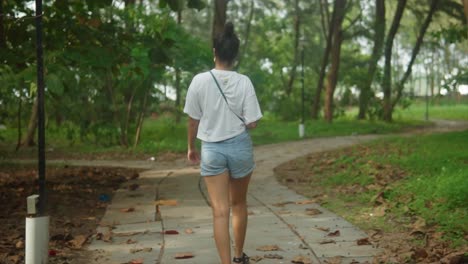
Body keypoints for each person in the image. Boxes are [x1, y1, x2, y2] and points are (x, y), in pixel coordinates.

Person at [183, 22, 262, 264]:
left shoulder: (199, 81)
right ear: (235, 56)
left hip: (212, 149)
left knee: (219, 211)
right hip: (239, 147)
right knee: (238, 204)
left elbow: (193, 122)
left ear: (214, 52)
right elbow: (252, 123)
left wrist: (191, 148)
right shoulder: (244, 82)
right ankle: (239, 258)